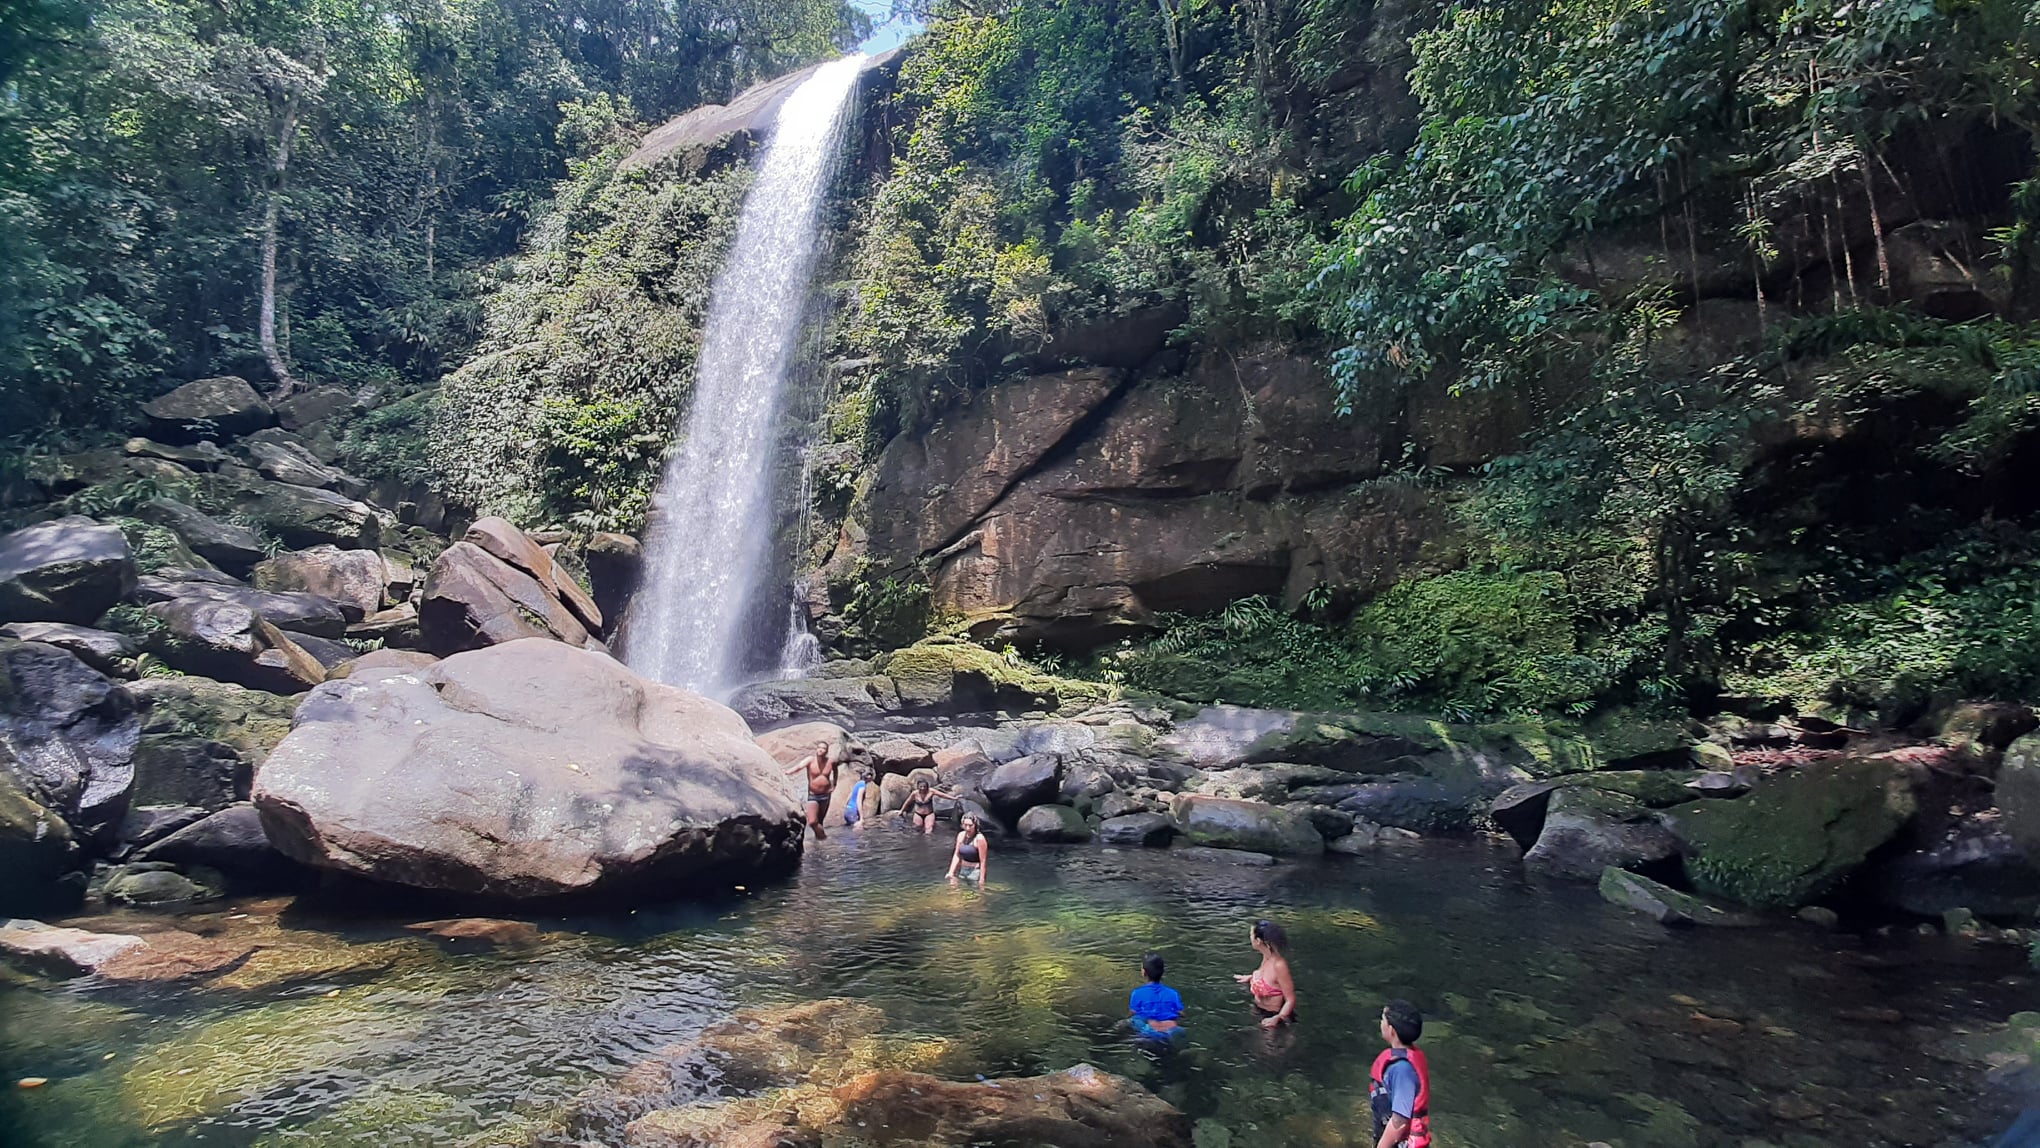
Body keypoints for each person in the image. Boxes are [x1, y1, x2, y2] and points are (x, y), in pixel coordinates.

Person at [1370, 999, 1431, 1148]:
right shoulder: (1408, 1057)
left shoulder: (1401, 1069)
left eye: (1382, 1019)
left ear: (1391, 1030)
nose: (1380, 1023)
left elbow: (1400, 1121)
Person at [1233, 919, 1295, 1028]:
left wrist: (1278, 1018)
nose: (1250, 938)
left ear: (1258, 941)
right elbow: (1268, 978)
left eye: (1251, 935)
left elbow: (1290, 999)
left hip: (1274, 1018)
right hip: (1258, 1010)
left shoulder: (1279, 965)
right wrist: (1250, 977)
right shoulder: (1266, 956)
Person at [784, 741, 834, 840]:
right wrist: (787, 772)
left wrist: (834, 784)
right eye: (819, 747)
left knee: (820, 821)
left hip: (825, 795)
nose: (820, 749)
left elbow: (835, 770)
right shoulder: (810, 760)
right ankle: (825, 839)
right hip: (813, 795)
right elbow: (799, 767)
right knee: (812, 822)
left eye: (823, 748)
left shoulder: (830, 761)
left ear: (827, 751)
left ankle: (818, 842)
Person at [1128, 952, 1184, 1040]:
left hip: (1149, 1029)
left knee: (1133, 1021)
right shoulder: (1173, 993)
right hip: (1172, 1029)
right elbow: (1181, 1013)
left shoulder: (1137, 993)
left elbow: (1132, 1013)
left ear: (1144, 972)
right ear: (1163, 972)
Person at [946, 812, 989, 884]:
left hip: (975, 871)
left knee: (974, 894)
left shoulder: (979, 838)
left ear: (975, 825)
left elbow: (983, 861)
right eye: (965, 825)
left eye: (970, 825)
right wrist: (951, 872)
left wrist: (981, 880)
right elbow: (956, 855)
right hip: (963, 870)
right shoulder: (961, 835)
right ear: (962, 824)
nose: (967, 828)